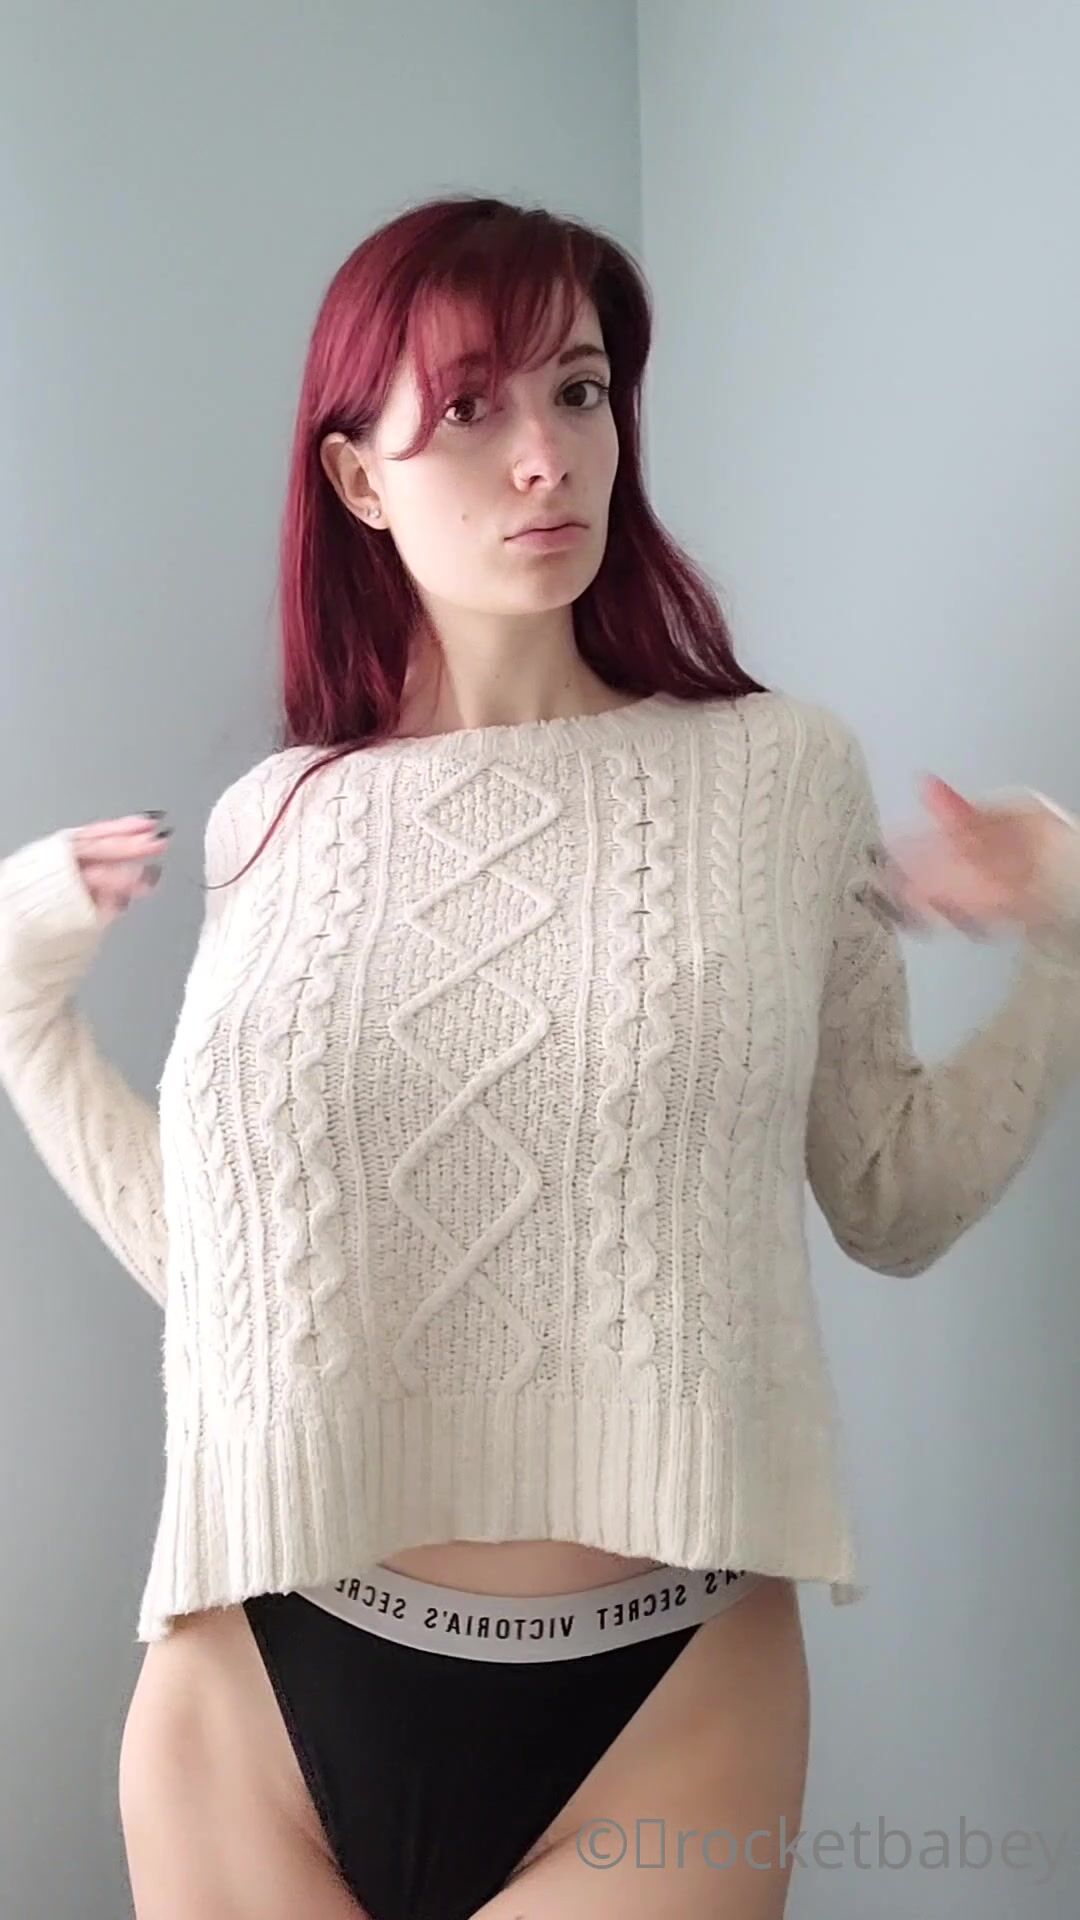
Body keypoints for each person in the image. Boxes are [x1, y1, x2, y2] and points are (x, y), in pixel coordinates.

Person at [1, 194, 1079, 1920]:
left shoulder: (779, 775)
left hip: (665, 1693)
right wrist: (23, 1014)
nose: (545, 457)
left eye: (579, 392)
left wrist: (1068, 938)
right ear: (358, 478)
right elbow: (232, 1270)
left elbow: (893, 1196)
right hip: (258, 1681)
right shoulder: (277, 820)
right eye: (469, 406)